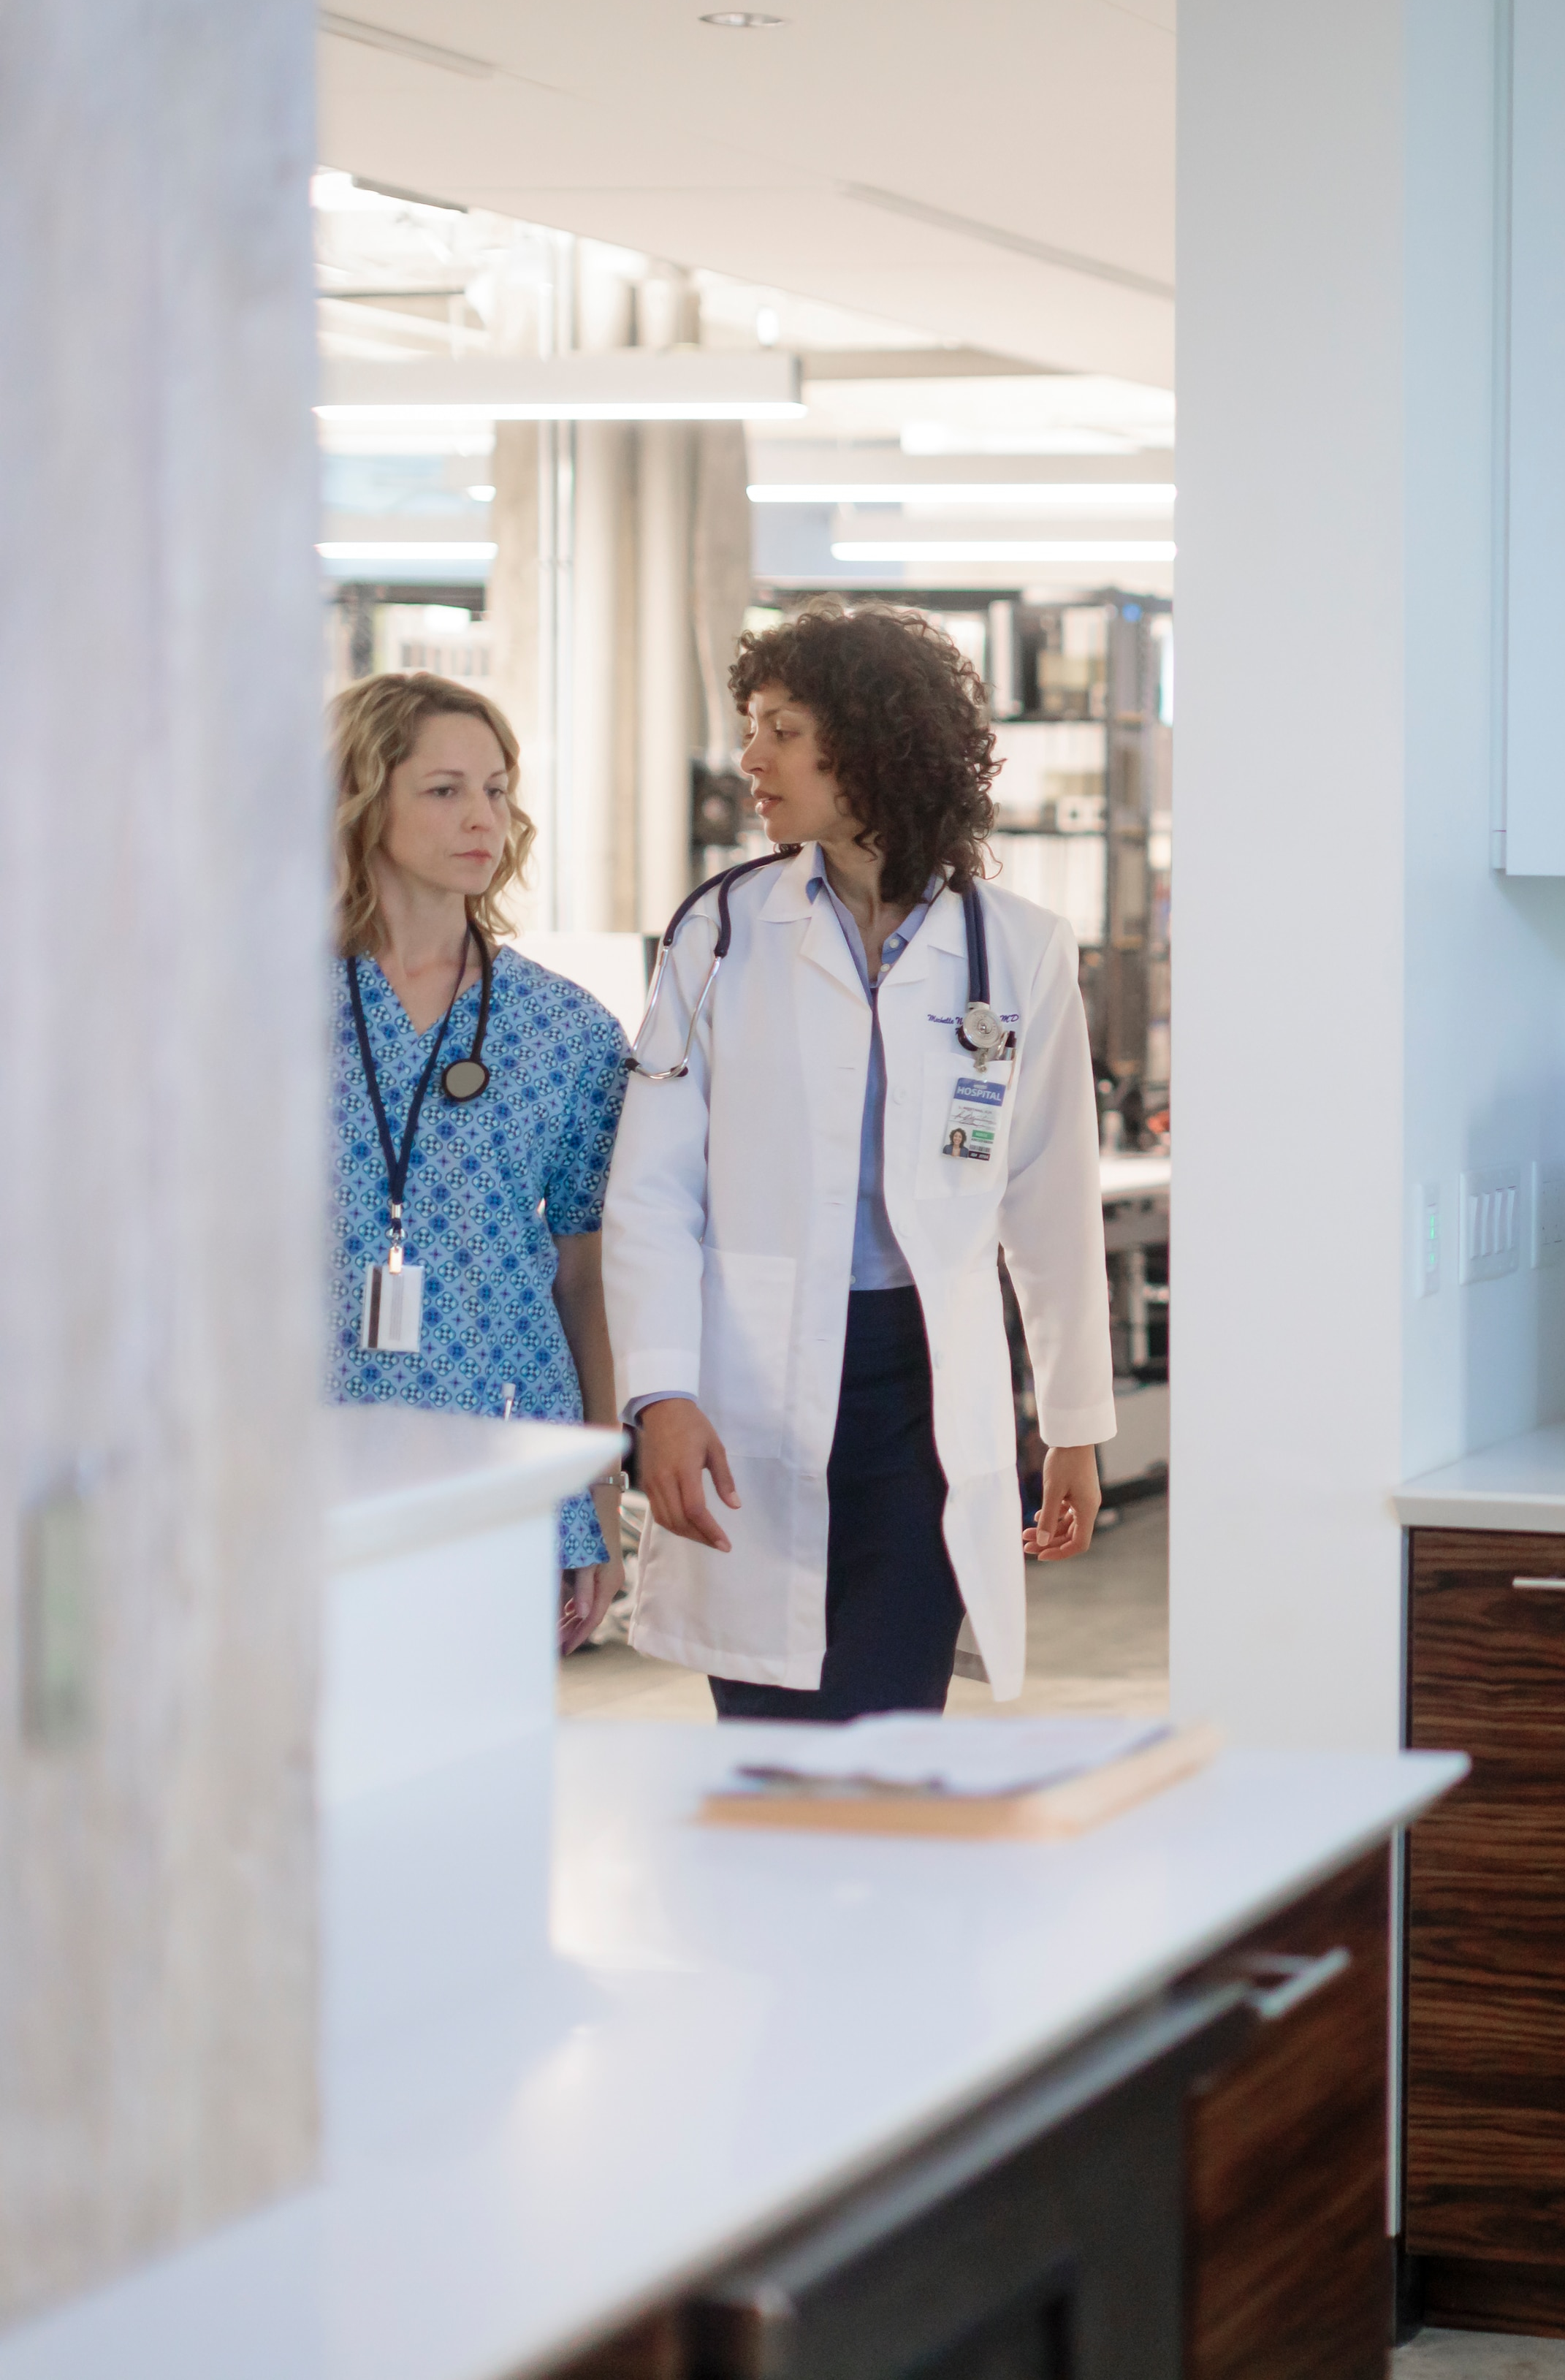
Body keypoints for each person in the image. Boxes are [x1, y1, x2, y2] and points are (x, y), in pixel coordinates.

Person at [606, 601, 1113, 1719]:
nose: (751, 758)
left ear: (877, 740)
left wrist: (1074, 1422)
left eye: (784, 730)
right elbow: (650, 1189)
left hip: (922, 1395)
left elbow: (1050, 1198)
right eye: (753, 727)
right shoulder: (719, 934)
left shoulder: (1018, 948)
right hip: (753, 1379)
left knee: (890, 1731)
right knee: (765, 1732)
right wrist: (661, 1391)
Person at [327, 672, 633, 1651]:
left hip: (505, 1451)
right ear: (362, 799)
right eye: (445, 789)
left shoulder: (569, 1031)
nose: (483, 819)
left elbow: (589, 1278)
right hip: (300, 1457)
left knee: (473, 1735)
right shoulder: (258, 1006)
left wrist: (598, 1487)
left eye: (497, 790)